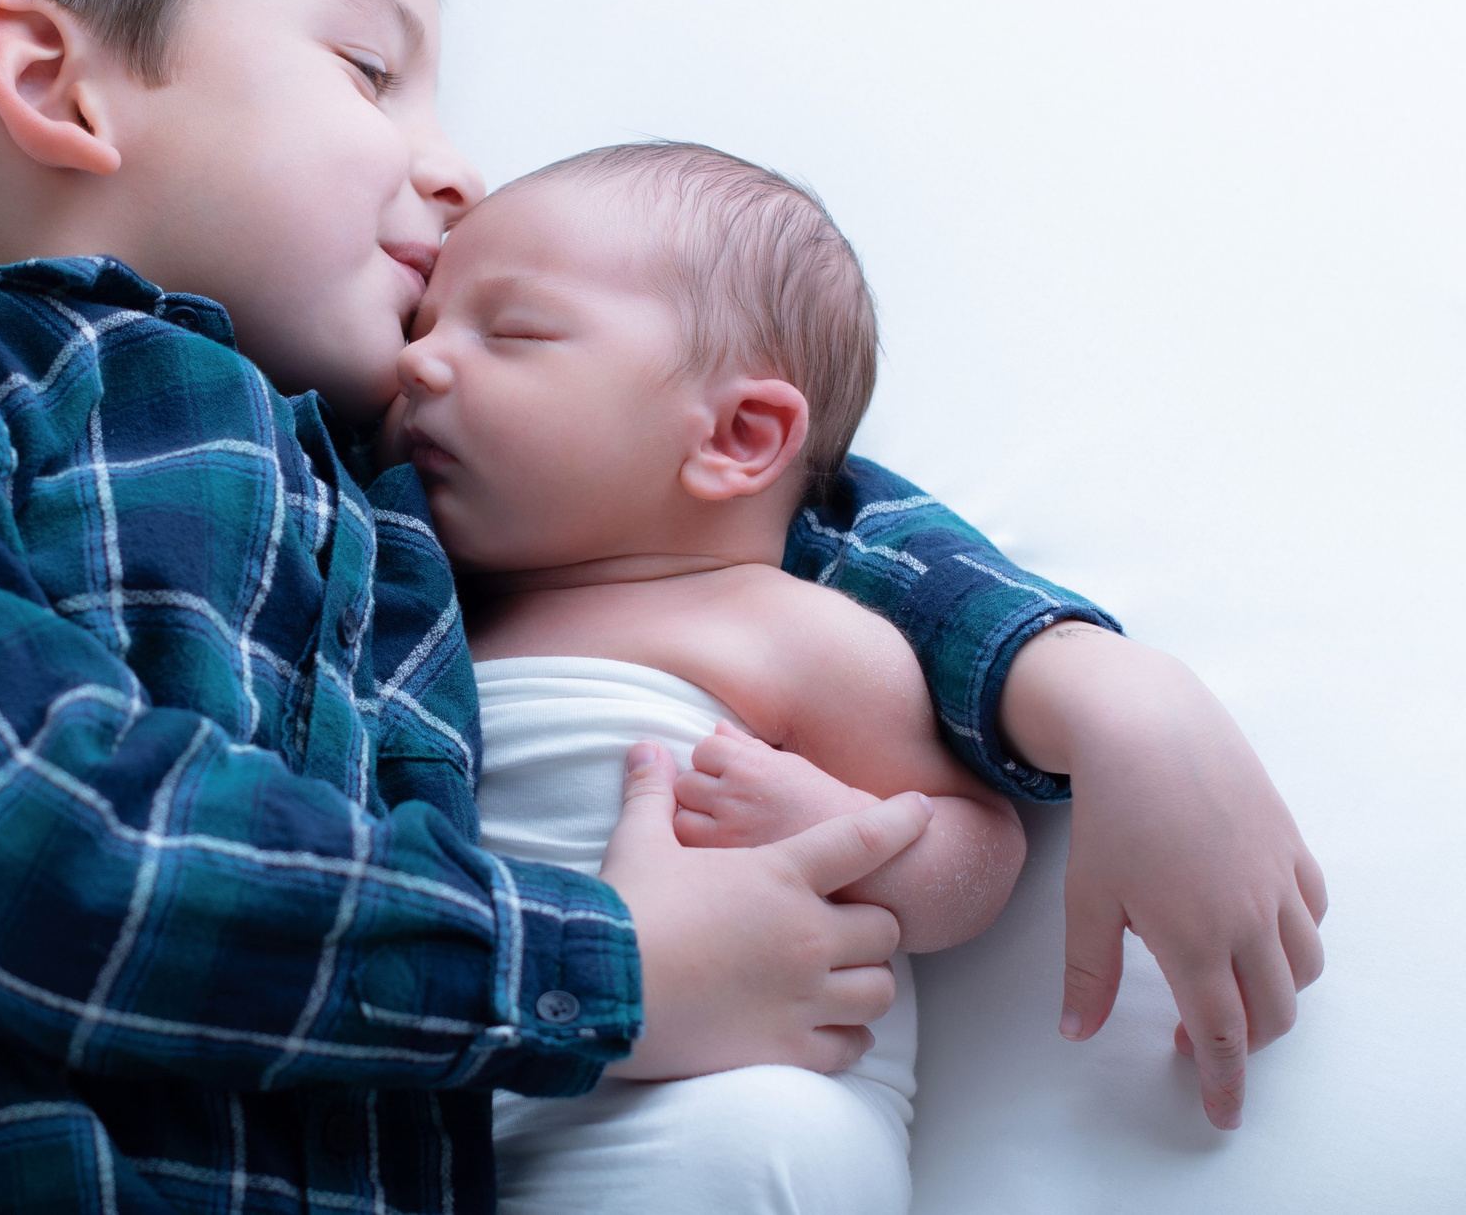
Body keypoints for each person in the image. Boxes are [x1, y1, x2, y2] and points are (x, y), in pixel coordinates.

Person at [0, 0, 1325, 1214]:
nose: (456, 168)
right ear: (57, 83)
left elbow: (745, 469)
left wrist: (1099, 689)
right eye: (371, 68)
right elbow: (46, 857)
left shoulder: (388, 475)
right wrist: (609, 966)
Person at [381, 142, 1028, 1213]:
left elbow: (982, 854)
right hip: (479, 1098)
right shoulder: (420, 615)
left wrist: (843, 828)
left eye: (512, 332)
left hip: (728, 1093)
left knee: (766, 1144)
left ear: (737, 435)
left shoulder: (789, 632)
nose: (417, 364)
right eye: (418, 326)